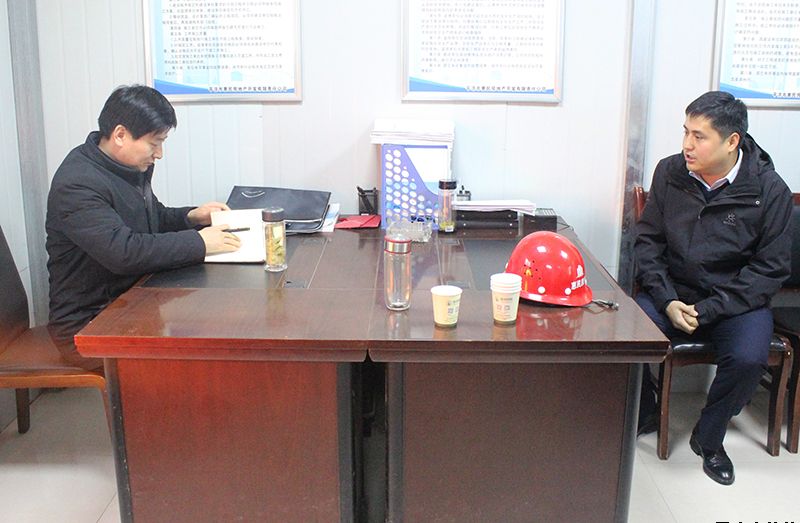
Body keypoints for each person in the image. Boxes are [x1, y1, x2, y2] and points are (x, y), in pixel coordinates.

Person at [634, 91, 792, 485]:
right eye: (685, 132)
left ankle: (709, 435)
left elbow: (769, 269)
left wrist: (709, 310)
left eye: (699, 136)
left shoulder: (769, 190)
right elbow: (648, 242)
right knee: (630, 335)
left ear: (732, 141)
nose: (687, 145)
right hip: (674, 291)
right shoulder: (670, 172)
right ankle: (646, 410)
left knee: (749, 357)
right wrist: (668, 300)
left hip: (736, 300)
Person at [46, 85, 241, 371]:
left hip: (130, 300)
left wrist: (192, 217)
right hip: (89, 323)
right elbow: (123, 252)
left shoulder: (125, 166)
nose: (159, 154)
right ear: (120, 135)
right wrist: (201, 243)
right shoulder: (78, 183)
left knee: (216, 324)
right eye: (154, 143)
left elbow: (151, 218)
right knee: (200, 355)